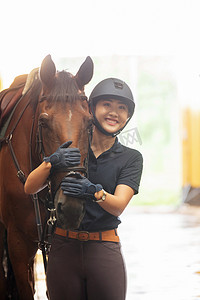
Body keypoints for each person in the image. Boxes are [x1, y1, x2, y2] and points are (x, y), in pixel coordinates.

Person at [24, 77, 143, 300]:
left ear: (128, 116)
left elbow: (118, 206)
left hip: (104, 248)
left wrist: (93, 191)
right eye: (107, 104)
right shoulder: (72, 146)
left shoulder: (131, 158)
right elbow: (30, 187)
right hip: (63, 247)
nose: (113, 113)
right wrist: (52, 160)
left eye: (121, 108)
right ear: (92, 108)